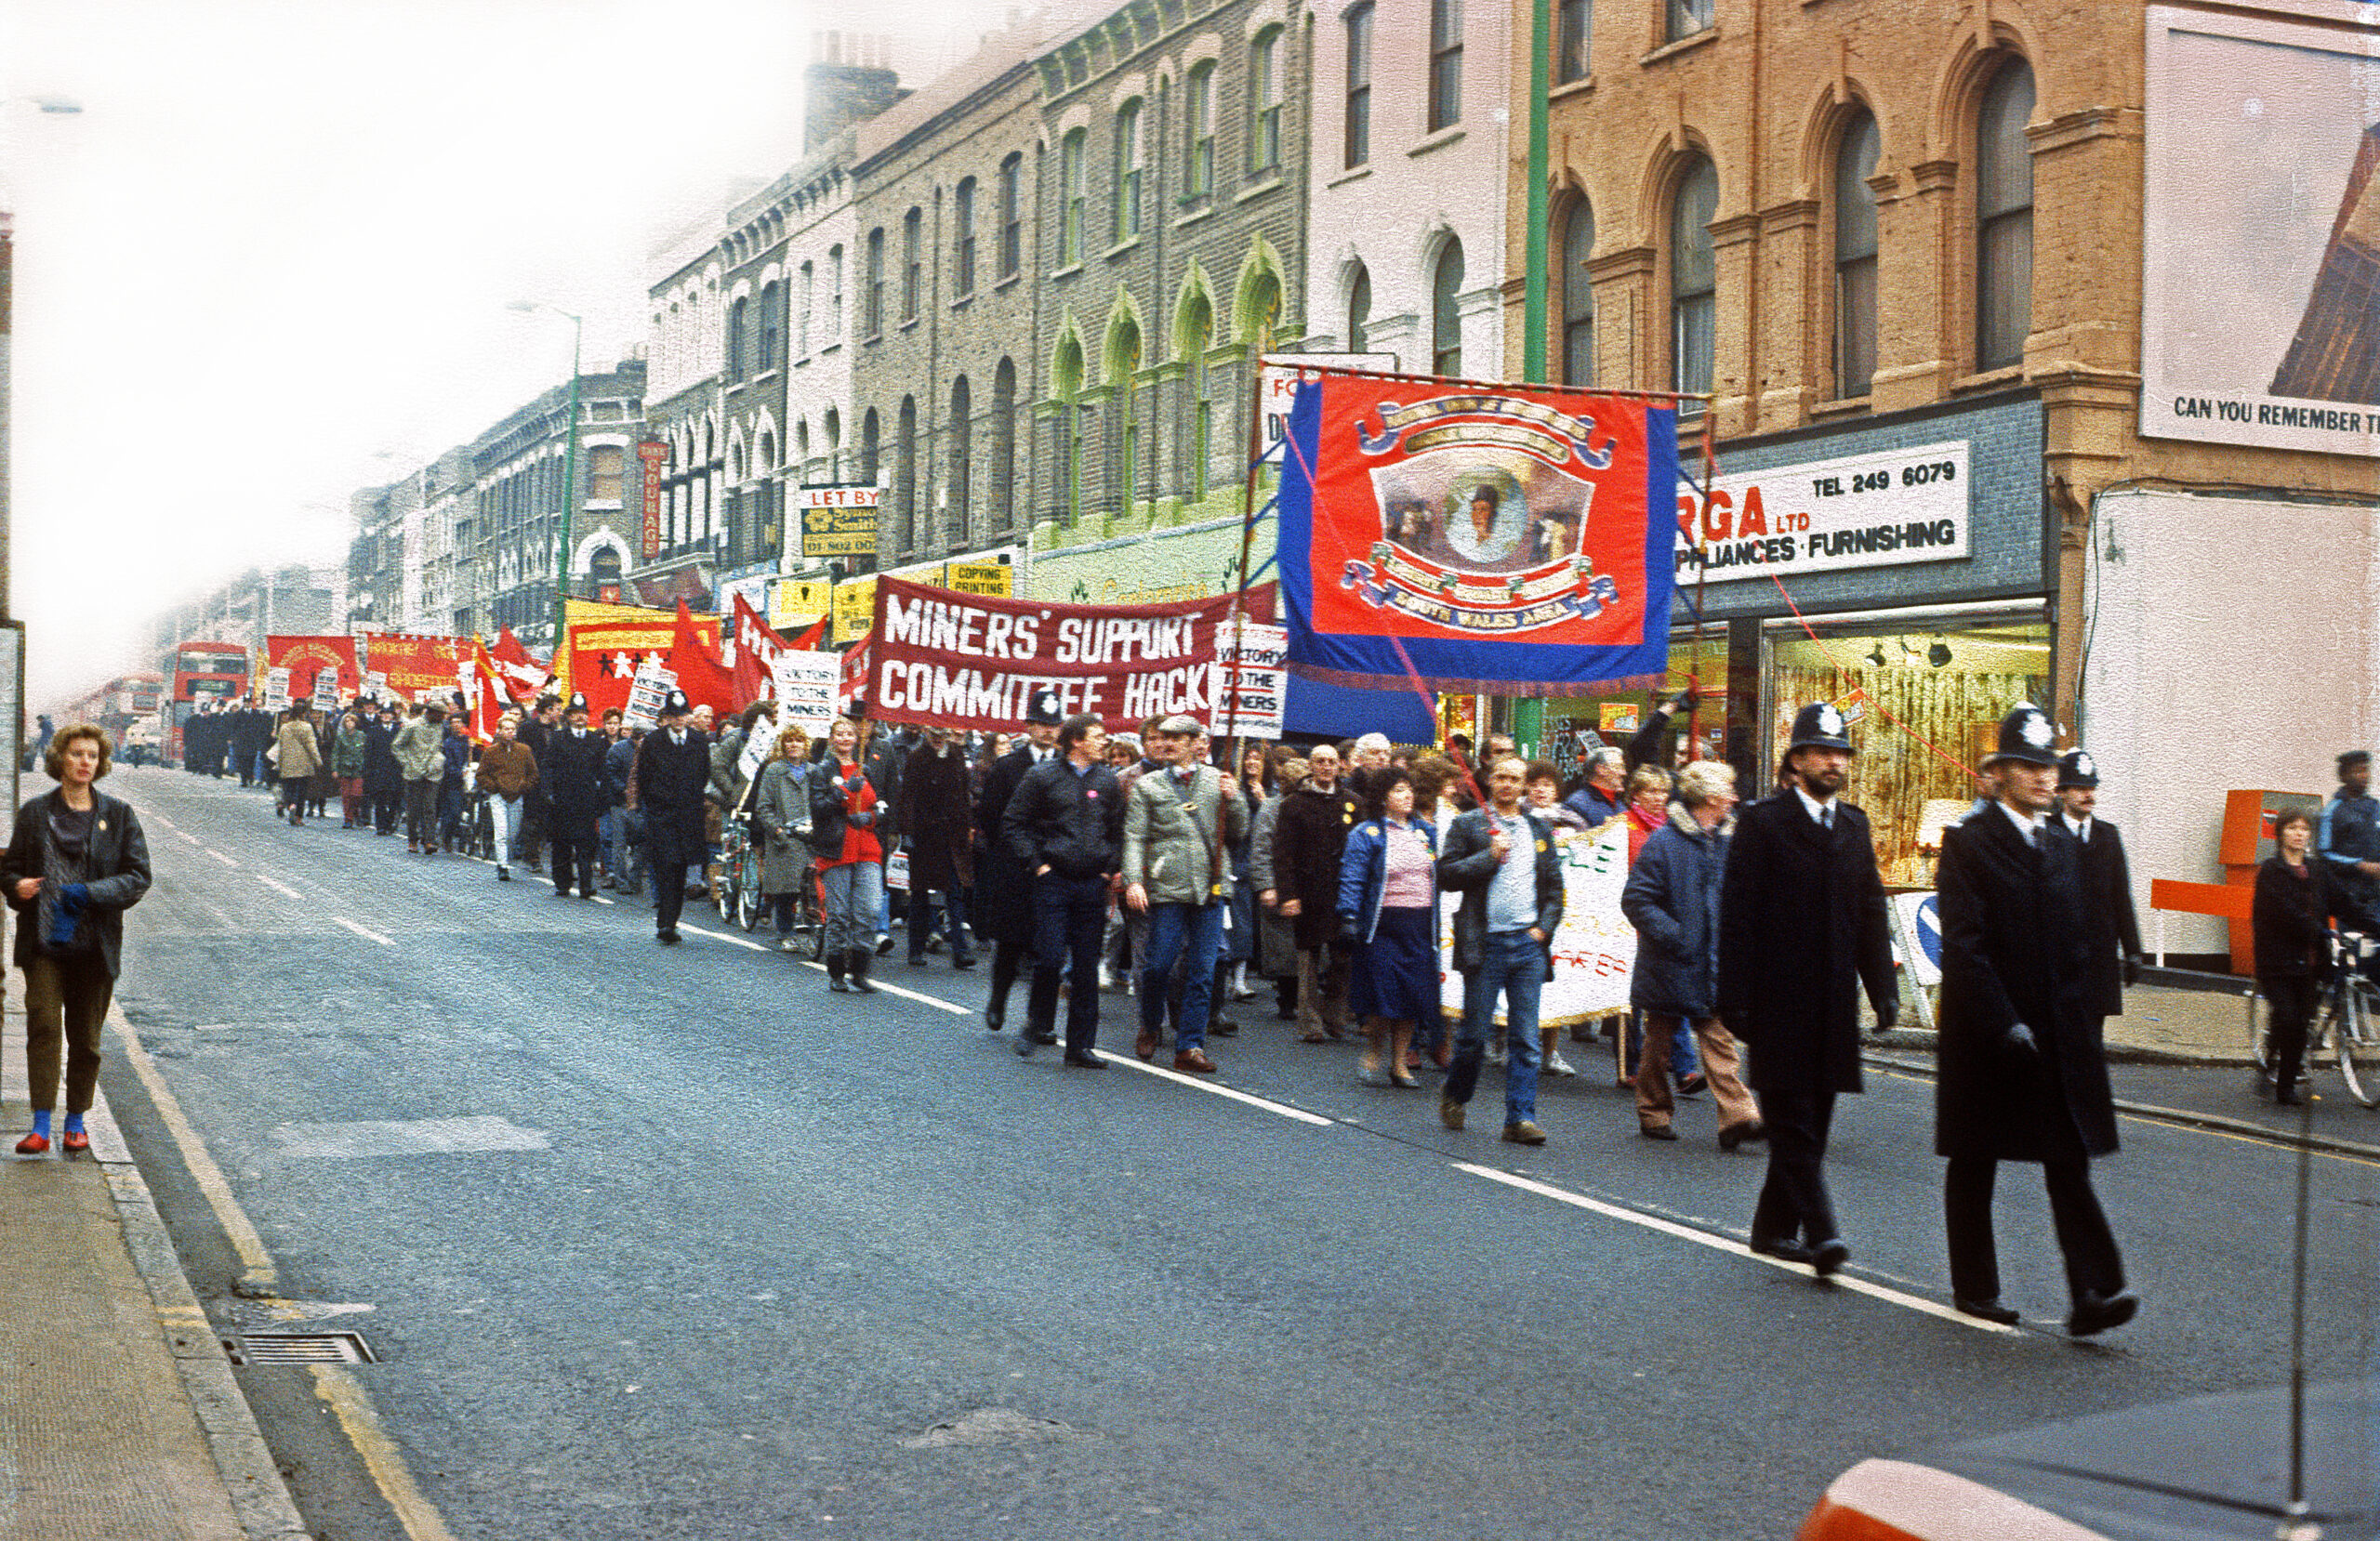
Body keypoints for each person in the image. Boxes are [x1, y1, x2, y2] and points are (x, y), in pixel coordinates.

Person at [1936, 704, 2136, 1336]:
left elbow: (2079, 936)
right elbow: (1964, 947)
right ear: (1998, 774)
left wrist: (2080, 1016)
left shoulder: (2060, 844)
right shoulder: (1968, 843)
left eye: (2049, 766)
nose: (2044, 778)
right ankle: (1975, 1286)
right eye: (2029, 767)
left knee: (2067, 1158)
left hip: (2056, 1030)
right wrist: (2002, 1021)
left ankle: (2093, 1292)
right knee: (1976, 1157)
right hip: (1989, 1034)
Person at [1718, 701, 1897, 1278]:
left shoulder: (1854, 824)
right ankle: (1824, 1234)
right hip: (1777, 999)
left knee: (1815, 1121)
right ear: (1795, 761)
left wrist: (1883, 986)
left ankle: (1772, 1229)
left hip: (1832, 1002)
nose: (1831, 762)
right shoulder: (1764, 823)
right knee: (1791, 1121)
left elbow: (1870, 908)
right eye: (1819, 751)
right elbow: (1738, 915)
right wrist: (1734, 996)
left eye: (1839, 753)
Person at [2, 724, 152, 1154]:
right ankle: (41, 1126)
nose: (85, 761)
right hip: (45, 943)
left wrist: (90, 892)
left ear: (100, 763)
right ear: (60, 761)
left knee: (85, 1038)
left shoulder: (119, 815)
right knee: (44, 1027)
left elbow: (138, 877)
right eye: (76, 754)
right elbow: (8, 869)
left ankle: (76, 1121)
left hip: (94, 945)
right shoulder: (35, 813)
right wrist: (17, 886)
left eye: (92, 755)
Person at [1622, 760, 1763, 1148]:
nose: (1735, 798)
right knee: (1658, 1043)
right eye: (1729, 791)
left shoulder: (1732, 843)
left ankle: (1738, 1116)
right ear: (1711, 798)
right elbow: (1636, 900)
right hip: (1669, 960)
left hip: (1714, 961)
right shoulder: (1664, 842)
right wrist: (1677, 936)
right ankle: (1653, 1111)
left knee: (1719, 1039)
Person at [1436, 755, 1564, 1145]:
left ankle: (1520, 1118)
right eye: (1501, 777)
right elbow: (1446, 875)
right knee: (1473, 1035)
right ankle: (1457, 1094)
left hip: (1526, 947)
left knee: (1525, 1038)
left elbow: (1555, 889)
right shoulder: (1469, 823)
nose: (1508, 784)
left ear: (1524, 785)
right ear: (1490, 781)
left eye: (1515, 779)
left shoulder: (1538, 828)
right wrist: (1487, 857)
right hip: (1485, 943)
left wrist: (1542, 929)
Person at [1122, 714, 1246, 1073]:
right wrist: (1133, 880)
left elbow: (1238, 831)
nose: (1170, 743)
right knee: (1159, 964)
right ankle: (1150, 1022)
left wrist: (1234, 799)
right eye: (1166, 737)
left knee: (1203, 969)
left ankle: (1189, 1045)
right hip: (1167, 886)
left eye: (1179, 737)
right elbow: (1134, 837)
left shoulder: (1217, 781)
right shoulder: (1148, 787)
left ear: (1196, 743)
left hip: (1211, 885)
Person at [1002, 712, 1124, 1066]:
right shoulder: (1042, 775)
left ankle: (1080, 1046)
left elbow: (1117, 831)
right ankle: (1037, 1023)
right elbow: (1014, 823)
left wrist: (1108, 870)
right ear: (1077, 740)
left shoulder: (1108, 781)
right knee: (1050, 957)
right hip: (1054, 880)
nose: (1105, 741)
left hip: (1092, 884)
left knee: (1086, 967)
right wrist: (1038, 864)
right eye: (1098, 735)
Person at [1337, 767, 1438, 1088]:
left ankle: (1399, 1064)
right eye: (1398, 790)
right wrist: (1349, 916)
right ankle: (1374, 1050)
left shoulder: (1426, 831)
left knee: (1412, 995)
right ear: (1382, 798)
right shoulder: (1367, 834)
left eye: (1409, 789)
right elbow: (1352, 877)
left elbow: (1441, 872)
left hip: (1420, 925)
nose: (1406, 795)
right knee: (1384, 994)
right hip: (1381, 925)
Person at [973, 691, 1063, 1034]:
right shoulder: (1009, 765)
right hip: (1014, 866)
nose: (1047, 732)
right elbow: (991, 815)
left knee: (1048, 947)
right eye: (1041, 724)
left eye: (1053, 725)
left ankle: (1040, 1019)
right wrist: (1011, 853)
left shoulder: (1064, 767)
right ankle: (998, 998)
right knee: (1010, 942)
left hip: (1054, 866)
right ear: (1029, 726)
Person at [1272, 743, 1364, 1044]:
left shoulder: (1353, 802)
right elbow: (1282, 853)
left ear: (1340, 766)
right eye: (1320, 761)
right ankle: (1309, 1021)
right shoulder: (1293, 803)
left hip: (1344, 889)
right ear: (1311, 766)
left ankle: (1335, 1016)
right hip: (1307, 889)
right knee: (1308, 957)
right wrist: (1288, 895)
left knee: (1343, 956)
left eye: (1332, 761)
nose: (1326, 766)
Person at [810, 710, 893, 991]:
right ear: (832, 739)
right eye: (840, 734)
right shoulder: (822, 770)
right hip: (838, 849)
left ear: (856, 738)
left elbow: (880, 806)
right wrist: (844, 790)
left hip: (867, 848)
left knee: (868, 910)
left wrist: (870, 818)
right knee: (840, 914)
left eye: (850, 734)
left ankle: (859, 971)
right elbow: (818, 808)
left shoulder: (865, 768)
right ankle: (836, 973)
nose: (845, 738)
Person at [2056, 750, 2144, 1010]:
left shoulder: (2108, 836)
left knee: (2093, 1037)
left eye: (2092, 787)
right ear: (2061, 791)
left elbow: (2121, 896)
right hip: (2060, 961)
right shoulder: (2047, 832)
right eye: (2081, 788)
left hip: (2099, 958)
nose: (2089, 795)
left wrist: (2133, 951)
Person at [2255, 808, 2331, 1104]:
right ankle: (2282, 1084)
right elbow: (2285, 911)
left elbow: (2343, 902)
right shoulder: (2271, 871)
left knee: (2300, 1022)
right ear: (2281, 833)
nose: (2299, 833)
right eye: (2292, 828)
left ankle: (2281, 1079)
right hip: (2277, 963)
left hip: (2311, 964)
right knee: (2290, 1019)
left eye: (2304, 829)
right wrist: (2318, 929)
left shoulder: (2317, 870)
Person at [897, 724, 976, 969]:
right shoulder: (917, 757)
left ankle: (961, 951)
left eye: (943, 735)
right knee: (921, 893)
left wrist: (968, 824)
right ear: (926, 734)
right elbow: (907, 797)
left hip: (952, 834)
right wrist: (907, 832)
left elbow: (964, 793)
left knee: (954, 892)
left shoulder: (956, 755)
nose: (939, 740)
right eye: (934, 735)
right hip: (925, 835)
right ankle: (915, 948)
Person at [637, 691, 712, 945]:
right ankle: (665, 922)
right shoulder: (653, 741)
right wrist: (655, 805)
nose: (679, 720)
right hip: (663, 814)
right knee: (666, 865)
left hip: (689, 815)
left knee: (680, 868)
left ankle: (671, 919)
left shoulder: (699, 742)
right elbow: (644, 778)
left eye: (683, 715)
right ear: (666, 717)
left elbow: (704, 774)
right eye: (674, 716)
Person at [753, 723, 815, 953]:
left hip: (810, 838)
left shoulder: (814, 771)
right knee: (785, 890)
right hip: (785, 838)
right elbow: (763, 807)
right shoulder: (774, 771)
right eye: (789, 740)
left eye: (798, 740)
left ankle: (810, 932)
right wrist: (777, 831)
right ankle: (785, 932)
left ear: (806, 744)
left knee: (810, 889)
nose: (793, 744)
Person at [2320, 750, 2380, 977]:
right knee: (2350, 956)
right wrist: (2360, 865)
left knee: (2375, 955)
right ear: (2344, 775)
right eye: (2358, 770)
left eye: (2367, 770)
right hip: (2347, 897)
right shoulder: (2332, 811)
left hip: (2375, 895)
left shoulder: (2375, 807)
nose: (2365, 775)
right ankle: (2340, 1004)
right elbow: (2324, 854)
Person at [543, 693, 608, 900]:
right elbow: (548, 767)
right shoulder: (559, 738)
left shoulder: (595, 740)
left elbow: (601, 772)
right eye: (576, 714)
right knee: (561, 843)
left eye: (583, 714)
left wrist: (600, 798)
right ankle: (562, 884)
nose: (580, 718)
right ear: (569, 716)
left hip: (586, 801)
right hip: (562, 801)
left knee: (585, 844)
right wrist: (550, 793)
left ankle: (586, 885)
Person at [473, 713, 539, 880]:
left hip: (517, 796)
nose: (509, 732)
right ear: (500, 731)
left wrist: (524, 786)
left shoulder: (524, 750)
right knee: (501, 832)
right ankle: (502, 865)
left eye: (512, 729)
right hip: (498, 796)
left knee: (512, 833)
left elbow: (533, 773)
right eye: (506, 729)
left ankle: (506, 859)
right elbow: (481, 775)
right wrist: (493, 787)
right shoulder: (490, 751)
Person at [392, 703, 444, 854]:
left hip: (432, 773)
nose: (443, 718)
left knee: (430, 807)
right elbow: (397, 746)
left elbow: (439, 747)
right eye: (440, 715)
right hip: (413, 773)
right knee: (413, 809)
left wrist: (437, 760)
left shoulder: (440, 727)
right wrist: (407, 763)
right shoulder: (412, 726)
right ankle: (412, 839)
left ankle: (429, 840)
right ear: (431, 713)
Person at [605, 721, 646, 898]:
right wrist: (623, 789)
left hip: (641, 804)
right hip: (620, 803)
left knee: (643, 843)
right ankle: (621, 881)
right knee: (619, 844)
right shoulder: (618, 750)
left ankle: (635, 877)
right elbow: (610, 773)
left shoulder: (650, 752)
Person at [274, 705, 323, 826]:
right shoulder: (307, 727)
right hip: (303, 763)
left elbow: (280, 747)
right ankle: (298, 816)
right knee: (301, 791)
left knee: (289, 788)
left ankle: (291, 805)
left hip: (287, 762)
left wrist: (278, 763)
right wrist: (318, 760)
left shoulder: (284, 728)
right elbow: (311, 746)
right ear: (303, 714)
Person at [363, 703, 403, 836]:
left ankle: (390, 821)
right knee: (380, 798)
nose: (386, 716)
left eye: (389, 714)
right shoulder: (374, 730)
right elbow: (368, 751)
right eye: (384, 714)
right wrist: (368, 769)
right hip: (378, 769)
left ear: (393, 716)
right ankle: (380, 825)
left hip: (395, 770)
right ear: (380, 716)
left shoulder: (399, 731)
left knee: (394, 798)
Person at [1563, 746, 1628, 825]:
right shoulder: (1577, 804)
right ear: (1601, 769)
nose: (1623, 773)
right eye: (1618, 767)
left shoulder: (1619, 803)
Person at [438, 707, 471, 851]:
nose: (457, 725)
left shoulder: (468, 741)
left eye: (459, 722)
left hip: (469, 780)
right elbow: (448, 764)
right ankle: (447, 836)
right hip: (453, 781)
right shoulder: (447, 743)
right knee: (454, 811)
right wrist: (459, 773)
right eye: (454, 722)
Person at [332, 711, 366, 828]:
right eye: (347, 721)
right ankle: (348, 818)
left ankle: (355, 810)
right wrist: (335, 769)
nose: (349, 723)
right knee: (346, 795)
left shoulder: (361, 735)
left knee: (356, 794)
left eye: (351, 721)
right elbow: (336, 753)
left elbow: (365, 751)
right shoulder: (341, 737)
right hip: (344, 768)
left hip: (358, 769)